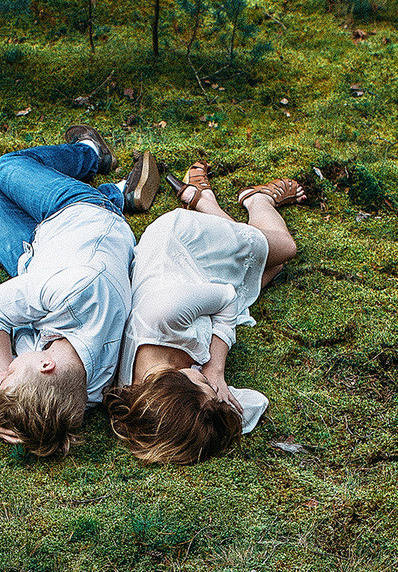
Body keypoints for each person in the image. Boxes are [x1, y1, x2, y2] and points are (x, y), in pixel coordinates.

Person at [0, 128, 161, 459]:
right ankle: (93, 158)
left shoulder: (71, 389)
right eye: (10, 374)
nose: (4, 372)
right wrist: (2, 374)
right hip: (84, 213)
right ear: (45, 364)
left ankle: (120, 192)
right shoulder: (79, 292)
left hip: (35, 260)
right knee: (6, 167)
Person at [104, 161, 306, 465]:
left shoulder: (163, 316)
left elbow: (227, 299)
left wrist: (216, 368)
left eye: (203, 385)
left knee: (285, 249)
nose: (211, 386)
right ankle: (201, 198)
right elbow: (253, 403)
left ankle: (253, 199)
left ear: (176, 383)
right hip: (195, 289)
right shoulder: (153, 394)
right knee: (271, 268)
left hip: (183, 242)